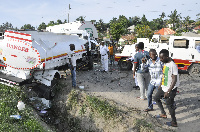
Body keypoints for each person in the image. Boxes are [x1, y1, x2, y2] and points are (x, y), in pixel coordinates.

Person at [154, 49, 179, 127]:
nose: (161, 60)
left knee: (169, 105)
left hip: (170, 89)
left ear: (167, 57)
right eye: (160, 58)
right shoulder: (165, 63)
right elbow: (165, 74)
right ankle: (163, 113)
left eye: (162, 58)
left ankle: (174, 122)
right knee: (156, 98)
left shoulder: (173, 65)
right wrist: (161, 84)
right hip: (164, 87)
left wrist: (168, 91)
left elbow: (174, 79)